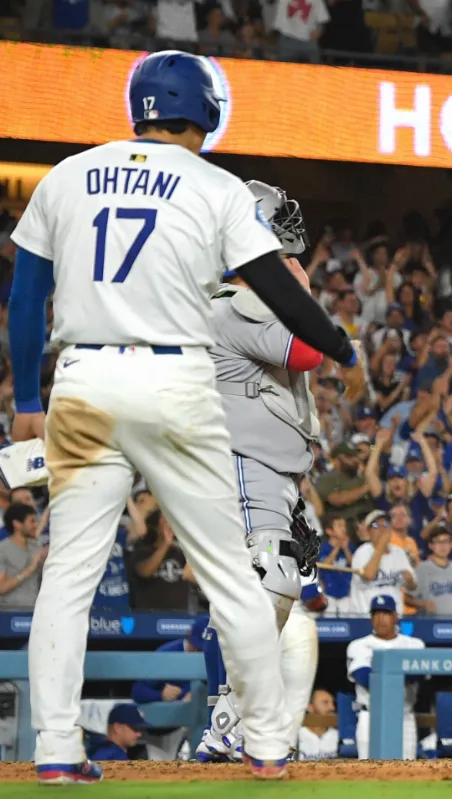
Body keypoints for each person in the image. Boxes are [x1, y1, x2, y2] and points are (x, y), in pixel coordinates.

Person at [7, 50, 359, 783]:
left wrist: (27, 403)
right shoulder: (215, 184)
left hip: (84, 378)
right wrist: (337, 341)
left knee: (69, 575)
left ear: (139, 107)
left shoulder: (68, 175)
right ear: (205, 112)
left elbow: (24, 297)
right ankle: (263, 742)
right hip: (175, 375)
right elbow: (276, 287)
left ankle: (55, 748)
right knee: (233, 571)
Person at [197, 180, 347, 763]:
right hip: (240, 462)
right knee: (271, 579)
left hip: (270, 468)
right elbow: (312, 346)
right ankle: (230, 723)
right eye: (279, 244)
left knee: (276, 583)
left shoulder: (253, 303)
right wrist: (290, 278)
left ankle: (228, 723)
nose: (292, 255)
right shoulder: (232, 304)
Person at [347, 595, 426, 759]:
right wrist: (400, 671)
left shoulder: (415, 645)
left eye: (386, 613)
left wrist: (381, 672)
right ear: (370, 617)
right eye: (376, 614)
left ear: (396, 616)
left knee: (408, 773)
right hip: (370, 716)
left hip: (403, 717)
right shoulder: (358, 645)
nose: (380, 618)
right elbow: (365, 679)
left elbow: (417, 676)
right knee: (367, 773)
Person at [130, 616, 207, 704]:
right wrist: (161, 695)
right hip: (171, 713)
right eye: (196, 646)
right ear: (189, 636)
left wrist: (199, 694)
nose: (199, 651)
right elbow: (138, 691)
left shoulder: (215, 656)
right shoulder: (166, 654)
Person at [0, 502, 45, 609]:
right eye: (32, 521)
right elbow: (1, 588)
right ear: (17, 524)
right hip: (9, 614)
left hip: (36, 612)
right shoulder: (2, 549)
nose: (36, 525)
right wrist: (30, 568)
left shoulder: (36, 547)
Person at [297, 689, 339, 761]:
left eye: (333, 703)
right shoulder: (296, 736)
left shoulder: (338, 735)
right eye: (325, 702)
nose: (332, 708)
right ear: (310, 707)